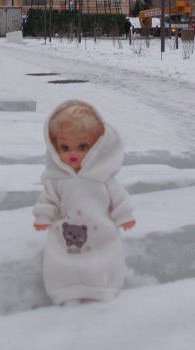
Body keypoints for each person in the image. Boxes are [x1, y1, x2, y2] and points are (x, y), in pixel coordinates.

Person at [33, 100, 136, 306]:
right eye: (64, 147)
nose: (73, 154)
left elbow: (119, 198)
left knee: (104, 257)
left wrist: (124, 215)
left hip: (102, 232)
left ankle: (102, 286)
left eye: (82, 147)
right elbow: (49, 199)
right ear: (54, 148)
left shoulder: (102, 177)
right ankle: (66, 288)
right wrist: (43, 216)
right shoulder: (58, 179)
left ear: (97, 147)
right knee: (61, 260)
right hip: (66, 232)